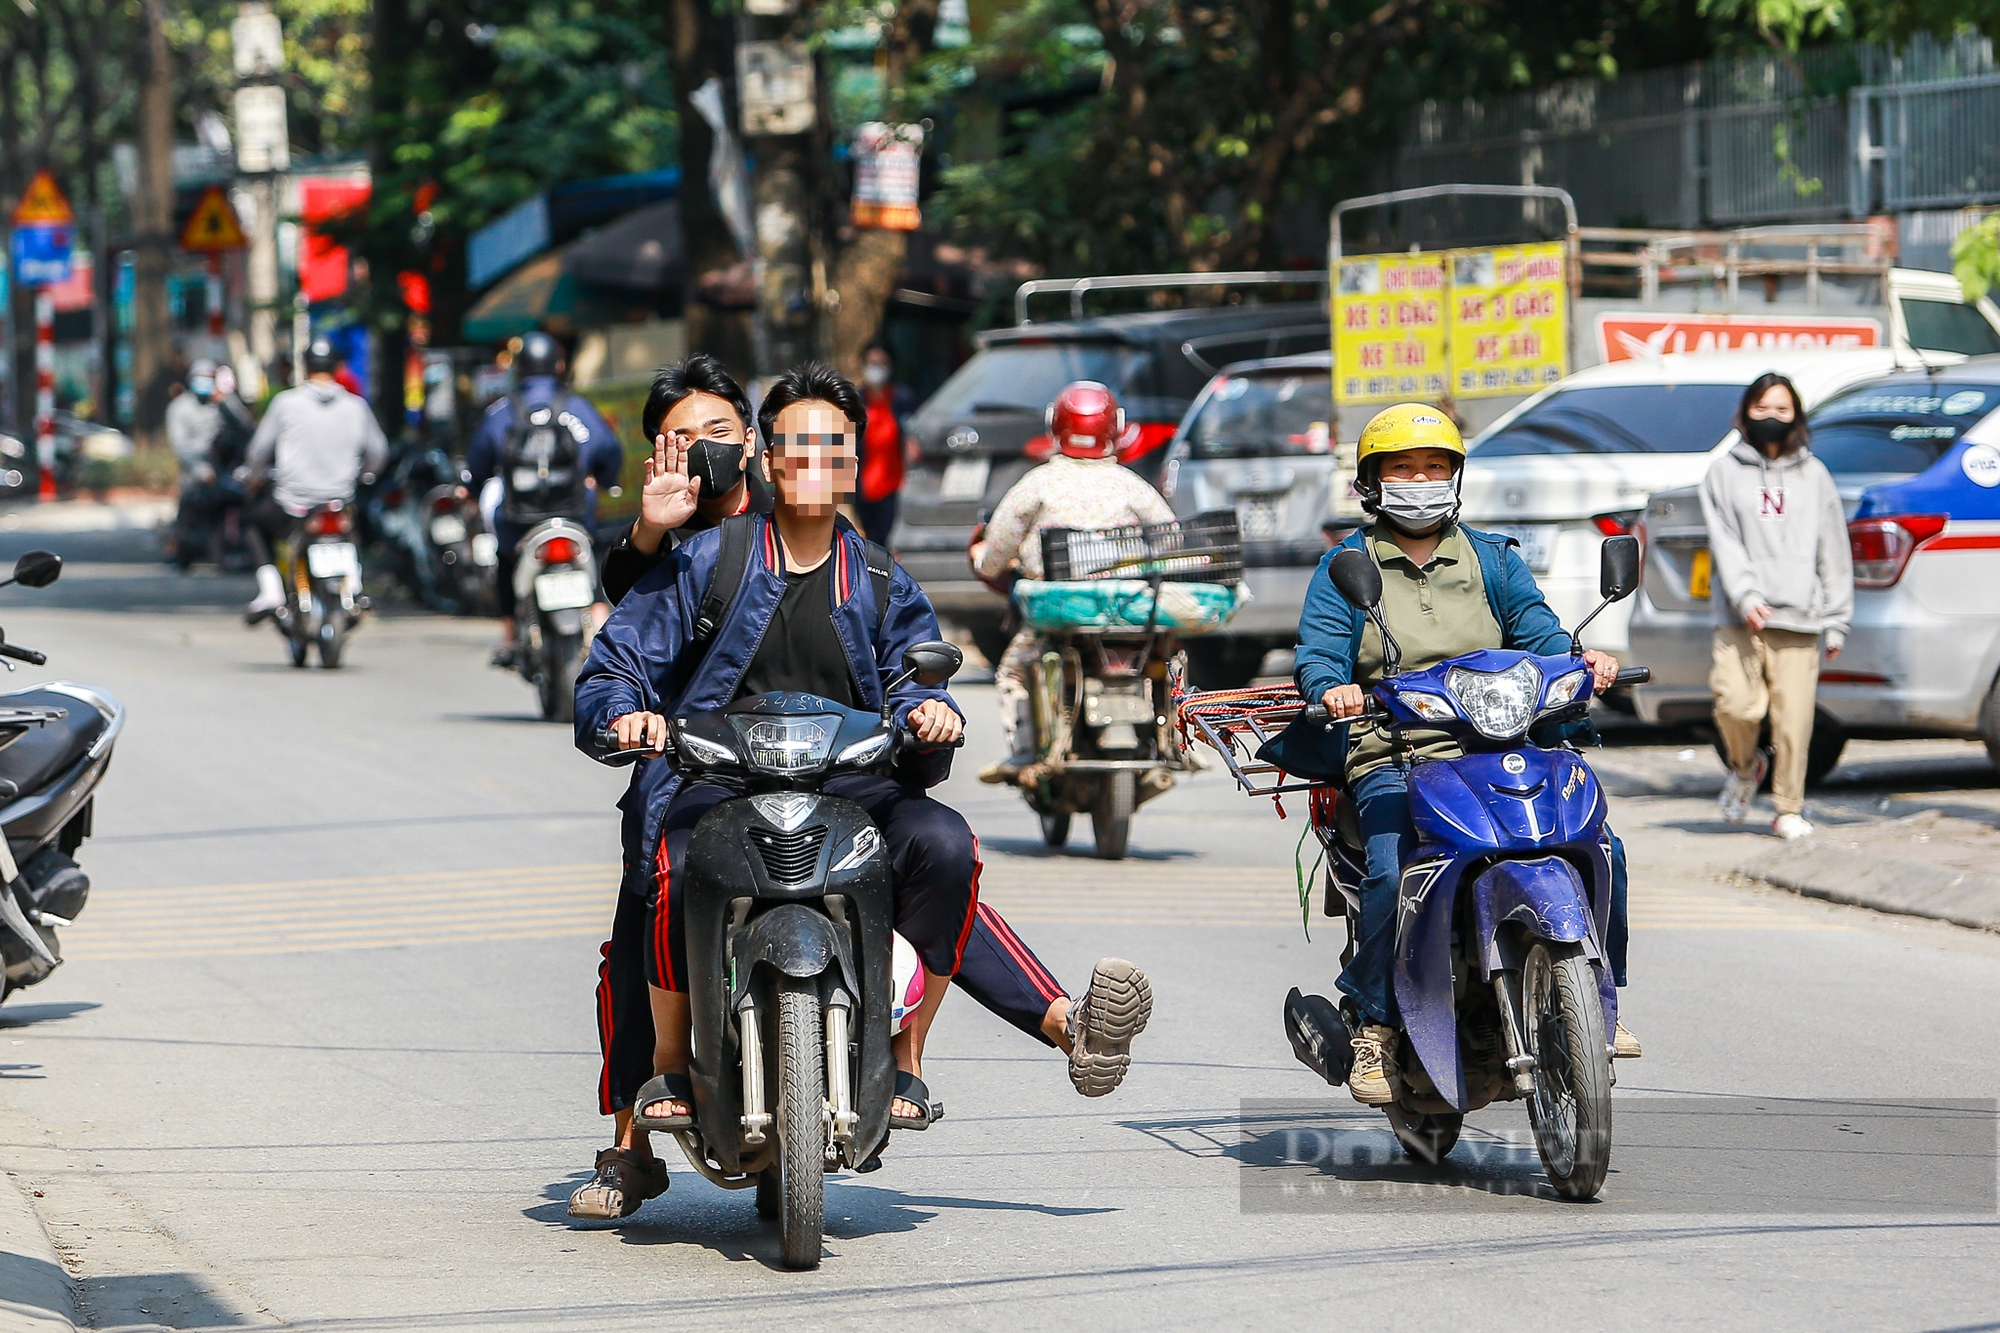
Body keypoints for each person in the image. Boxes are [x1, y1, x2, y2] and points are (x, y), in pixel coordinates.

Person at [568, 358, 1150, 1221]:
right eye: (794, 444)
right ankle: (671, 1072)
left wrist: (931, 713)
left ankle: (906, 1056)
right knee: (667, 866)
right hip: (712, 787)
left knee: (945, 844)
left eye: (830, 446)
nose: (810, 460)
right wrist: (626, 716)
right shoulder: (704, 557)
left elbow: (918, 678)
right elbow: (615, 663)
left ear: (851, 463)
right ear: (767, 461)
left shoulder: (878, 577)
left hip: (850, 792)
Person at [1279, 403, 1638, 1105]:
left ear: (1456, 476)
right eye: (1404, 468)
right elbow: (1319, 655)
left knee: (1604, 843)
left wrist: (1580, 657)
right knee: (1390, 869)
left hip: (1500, 738)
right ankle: (1376, 1025)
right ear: (1373, 483)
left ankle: (1602, 992)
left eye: (1435, 466)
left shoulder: (1492, 558)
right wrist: (1336, 690)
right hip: (1395, 747)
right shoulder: (1345, 566)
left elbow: (1539, 632)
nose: (1421, 479)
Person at [970, 381, 1175, 785]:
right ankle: (1172, 744)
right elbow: (1171, 539)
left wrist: (989, 563)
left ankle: (1023, 752)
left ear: (1055, 425)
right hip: (1129, 614)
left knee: (1013, 671)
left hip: (1056, 612)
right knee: (1166, 663)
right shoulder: (1131, 484)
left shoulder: (1038, 482)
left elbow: (998, 546)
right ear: (1114, 427)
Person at [1701, 372, 1852, 841]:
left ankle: (1789, 807)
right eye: (1762, 408)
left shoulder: (1815, 475)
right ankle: (1746, 768)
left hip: (1800, 618)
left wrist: (1837, 620)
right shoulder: (1722, 473)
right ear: (1745, 412)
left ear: (1797, 417)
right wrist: (1746, 596)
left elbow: (1834, 549)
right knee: (1736, 708)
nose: (1771, 418)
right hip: (1739, 619)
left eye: (1782, 410)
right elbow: (1724, 543)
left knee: (1794, 722)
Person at [466, 331, 626, 666]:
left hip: (517, 522)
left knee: (506, 562)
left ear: (518, 368)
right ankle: (598, 619)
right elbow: (610, 451)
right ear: (559, 364)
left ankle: (509, 636)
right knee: (593, 554)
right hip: (575, 516)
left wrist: (475, 489)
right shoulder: (578, 408)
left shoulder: (501, 413)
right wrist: (604, 481)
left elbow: (478, 463)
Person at [242, 339, 388, 619]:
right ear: (337, 368)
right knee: (354, 529)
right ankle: (354, 585)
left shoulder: (286, 403)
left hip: (292, 504)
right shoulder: (356, 406)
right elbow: (378, 453)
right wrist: (363, 476)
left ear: (305, 367)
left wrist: (253, 476)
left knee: (253, 525)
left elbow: (258, 452)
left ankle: (271, 592)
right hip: (339, 501)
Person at [855, 345, 914, 545]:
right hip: (862, 485)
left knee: (887, 538)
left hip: (894, 483)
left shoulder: (902, 398)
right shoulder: (855, 401)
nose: (876, 369)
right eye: (872, 364)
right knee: (871, 538)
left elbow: (911, 431)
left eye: (881, 364)